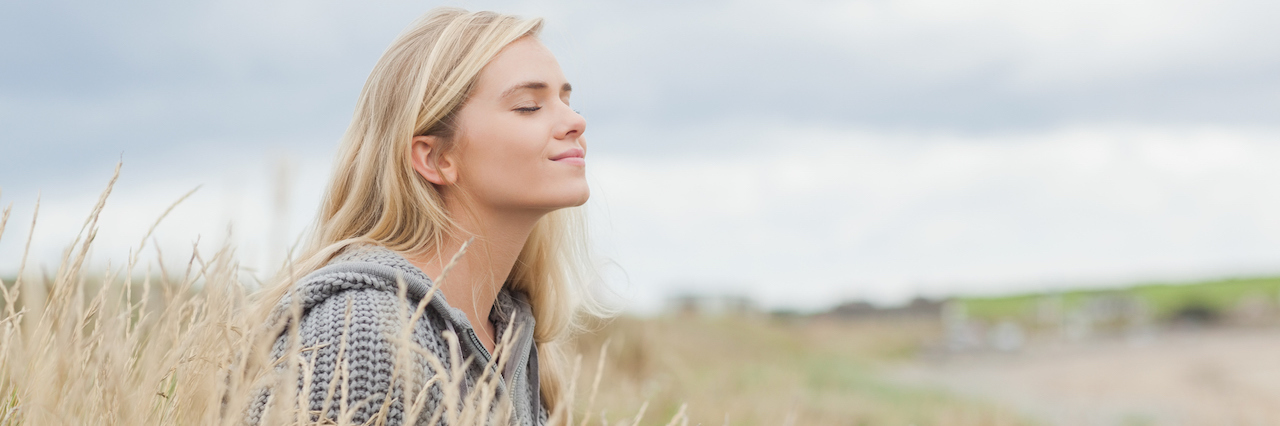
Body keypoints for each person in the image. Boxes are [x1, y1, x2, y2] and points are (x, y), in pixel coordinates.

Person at [240, 7, 611, 426]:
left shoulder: (509, 334)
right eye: (529, 106)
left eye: (566, 99)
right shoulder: (362, 333)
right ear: (434, 157)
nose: (575, 121)